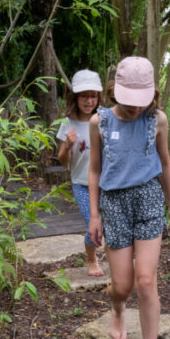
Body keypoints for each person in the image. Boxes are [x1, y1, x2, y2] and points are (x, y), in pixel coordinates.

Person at [88, 56, 170, 339]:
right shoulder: (99, 123)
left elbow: (166, 163)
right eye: (128, 103)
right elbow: (95, 170)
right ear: (115, 91)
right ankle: (116, 309)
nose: (134, 109)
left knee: (146, 281)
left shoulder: (157, 120)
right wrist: (94, 215)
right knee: (123, 287)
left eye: (140, 103)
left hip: (148, 199)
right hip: (114, 203)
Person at [57, 69, 105, 276]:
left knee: (108, 223)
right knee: (91, 223)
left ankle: (113, 254)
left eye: (93, 96)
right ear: (75, 97)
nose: (88, 101)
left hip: (106, 183)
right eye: (84, 96)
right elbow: (62, 160)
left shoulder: (105, 119)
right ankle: (92, 260)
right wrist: (68, 145)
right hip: (81, 183)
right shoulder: (68, 123)